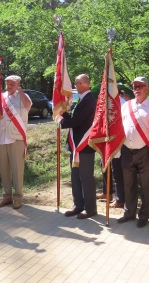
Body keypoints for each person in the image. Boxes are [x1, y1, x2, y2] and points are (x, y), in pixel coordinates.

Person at [118, 76, 149, 228]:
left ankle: (144, 215)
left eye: (140, 86)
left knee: (146, 185)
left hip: (144, 151)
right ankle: (129, 213)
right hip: (127, 150)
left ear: (147, 88)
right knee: (128, 184)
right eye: (135, 86)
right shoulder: (126, 106)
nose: (137, 89)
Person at [60, 74, 98, 219]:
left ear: (84, 84)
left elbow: (78, 121)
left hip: (84, 146)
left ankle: (90, 208)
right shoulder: (81, 99)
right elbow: (75, 119)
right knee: (75, 177)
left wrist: (62, 121)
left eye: (77, 83)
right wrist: (64, 114)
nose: (75, 85)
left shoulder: (89, 100)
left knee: (86, 177)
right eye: (75, 83)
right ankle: (78, 205)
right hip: (76, 145)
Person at [0, 75, 32, 210]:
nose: (9, 86)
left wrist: (20, 91)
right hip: (2, 137)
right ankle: (7, 196)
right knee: (4, 169)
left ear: (18, 85)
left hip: (16, 138)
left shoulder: (23, 96)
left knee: (17, 169)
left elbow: (28, 106)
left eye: (12, 84)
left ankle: (18, 197)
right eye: (7, 84)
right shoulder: (1, 97)